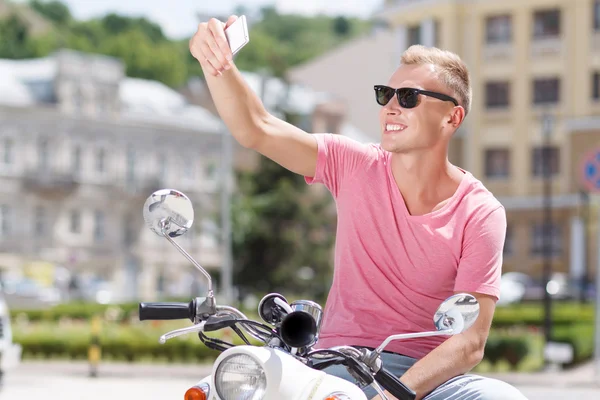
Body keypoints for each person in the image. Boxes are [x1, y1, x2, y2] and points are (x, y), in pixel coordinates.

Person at [189, 15, 528, 400]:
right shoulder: (353, 164)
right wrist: (217, 64)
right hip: (335, 365)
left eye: (409, 97)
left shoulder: (480, 212)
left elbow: (470, 342)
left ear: (453, 116)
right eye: (386, 95)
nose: (391, 108)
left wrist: (390, 398)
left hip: (424, 380)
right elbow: (257, 127)